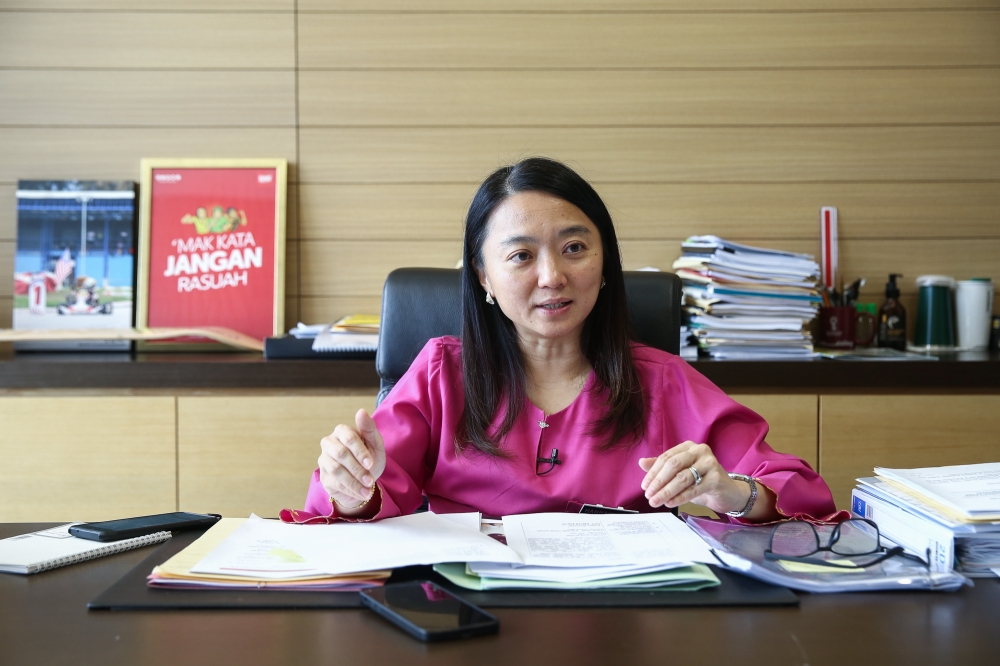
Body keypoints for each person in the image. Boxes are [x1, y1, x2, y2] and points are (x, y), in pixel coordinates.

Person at [290, 157, 840, 525]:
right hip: (472, 614)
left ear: (605, 265)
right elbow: (362, 505)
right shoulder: (441, 373)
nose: (552, 276)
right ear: (484, 278)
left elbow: (799, 494)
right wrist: (353, 490)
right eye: (521, 255)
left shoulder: (663, 381)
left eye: (574, 248)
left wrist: (733, 493)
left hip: (624, 625)